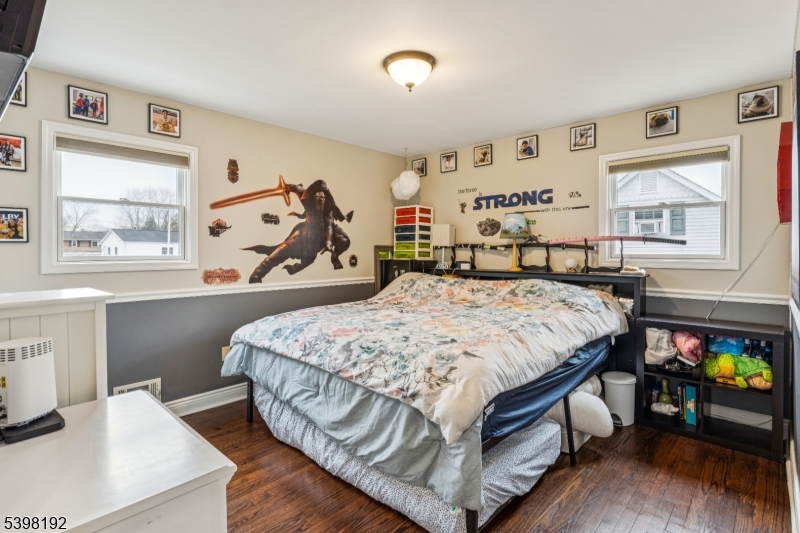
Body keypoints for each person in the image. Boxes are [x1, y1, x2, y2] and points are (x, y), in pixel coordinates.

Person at [243, 180, 353, 283]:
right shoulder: (305, 196)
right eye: (318, 197)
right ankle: (259, 272)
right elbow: (295, 188)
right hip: (307, 230)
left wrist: (329, 243)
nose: (321, 200)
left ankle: (335, 257)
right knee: (286, 248)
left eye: (323, 198)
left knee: (344, 241)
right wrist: (287, 188)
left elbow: (329, 225)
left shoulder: (329, 206)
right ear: (313, 197)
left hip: (325, 232)